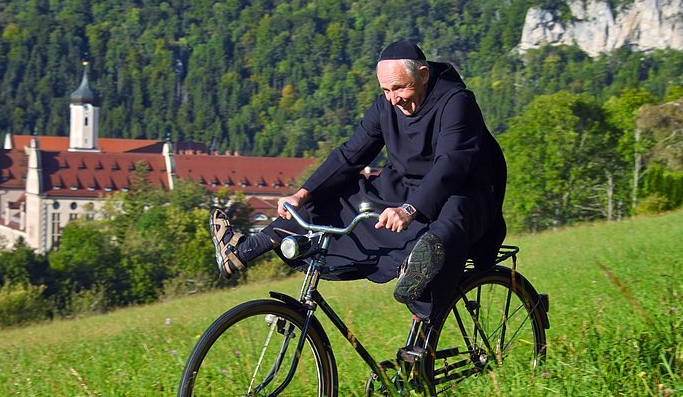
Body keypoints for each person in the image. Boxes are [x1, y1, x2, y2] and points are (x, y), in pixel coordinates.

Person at [211, 39, 507, 319]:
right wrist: (301, 195)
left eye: (399, 89)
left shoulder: (456, 102)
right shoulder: (385, 107)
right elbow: (350, 156)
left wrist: (409, 209)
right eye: (386, 90)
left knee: (442, 234)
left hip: (466, 193)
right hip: (408, 190)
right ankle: (245, 248)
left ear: (424, 74)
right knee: (338, 198)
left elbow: (451, 164)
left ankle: (420, 302)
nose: (393, 99)